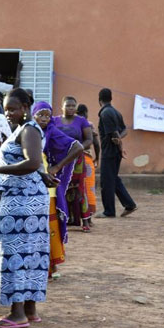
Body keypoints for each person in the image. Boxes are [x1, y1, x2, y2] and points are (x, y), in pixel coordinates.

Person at [0, 88, 57, 328]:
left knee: (15, 252)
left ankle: (17, 314)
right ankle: (29, 308)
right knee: (30, 253)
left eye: (13, 109)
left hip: (22, 202)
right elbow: (35, 163)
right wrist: (42, 175)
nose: (8, 113)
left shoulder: (28, 129)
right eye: (6, 109)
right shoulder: (23, 129)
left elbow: (33, 161)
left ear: (26, 107)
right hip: (27, 198)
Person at [32, 102, 84, 277]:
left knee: (49, 225)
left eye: (48, 115)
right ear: (33, 115)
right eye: (41, 115)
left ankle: (51, 266)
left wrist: (57, 167)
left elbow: (77, 147)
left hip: (47, 187)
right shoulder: (28, 132)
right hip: (31, 185)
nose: (45, 119)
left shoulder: (52, 132)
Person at [52, 96, 94, 231]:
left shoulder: (82, 121)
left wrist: (78, 147)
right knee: (60, 187)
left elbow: (89, 139)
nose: (71, 108)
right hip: (60, 159)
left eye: (73, 106)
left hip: (77, 161)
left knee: (80, 188)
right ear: (62, 107)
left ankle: (86, 221)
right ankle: (62, 218)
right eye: (68, 105)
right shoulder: (55, 121)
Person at [97, 88, 137, 218]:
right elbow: (124, 131)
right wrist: (120, 145)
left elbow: (113, 134)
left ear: (99, 100)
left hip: (109, 152)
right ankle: (129, 204)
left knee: (106, 181)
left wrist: (119, 144)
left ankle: (109, 211)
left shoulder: (105, 113)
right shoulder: (116, 112)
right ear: (111, 98)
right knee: (113, 179)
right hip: (115, 152)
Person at [76, 103, 99, 224]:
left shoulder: (72, 124)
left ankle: (74, 217)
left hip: (74, 160)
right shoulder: (88, 124)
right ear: (86, 113)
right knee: (89, 188)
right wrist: (98, 158)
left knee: (76, 188)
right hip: (87, 160)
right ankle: (88, 218)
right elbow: (95, 143)